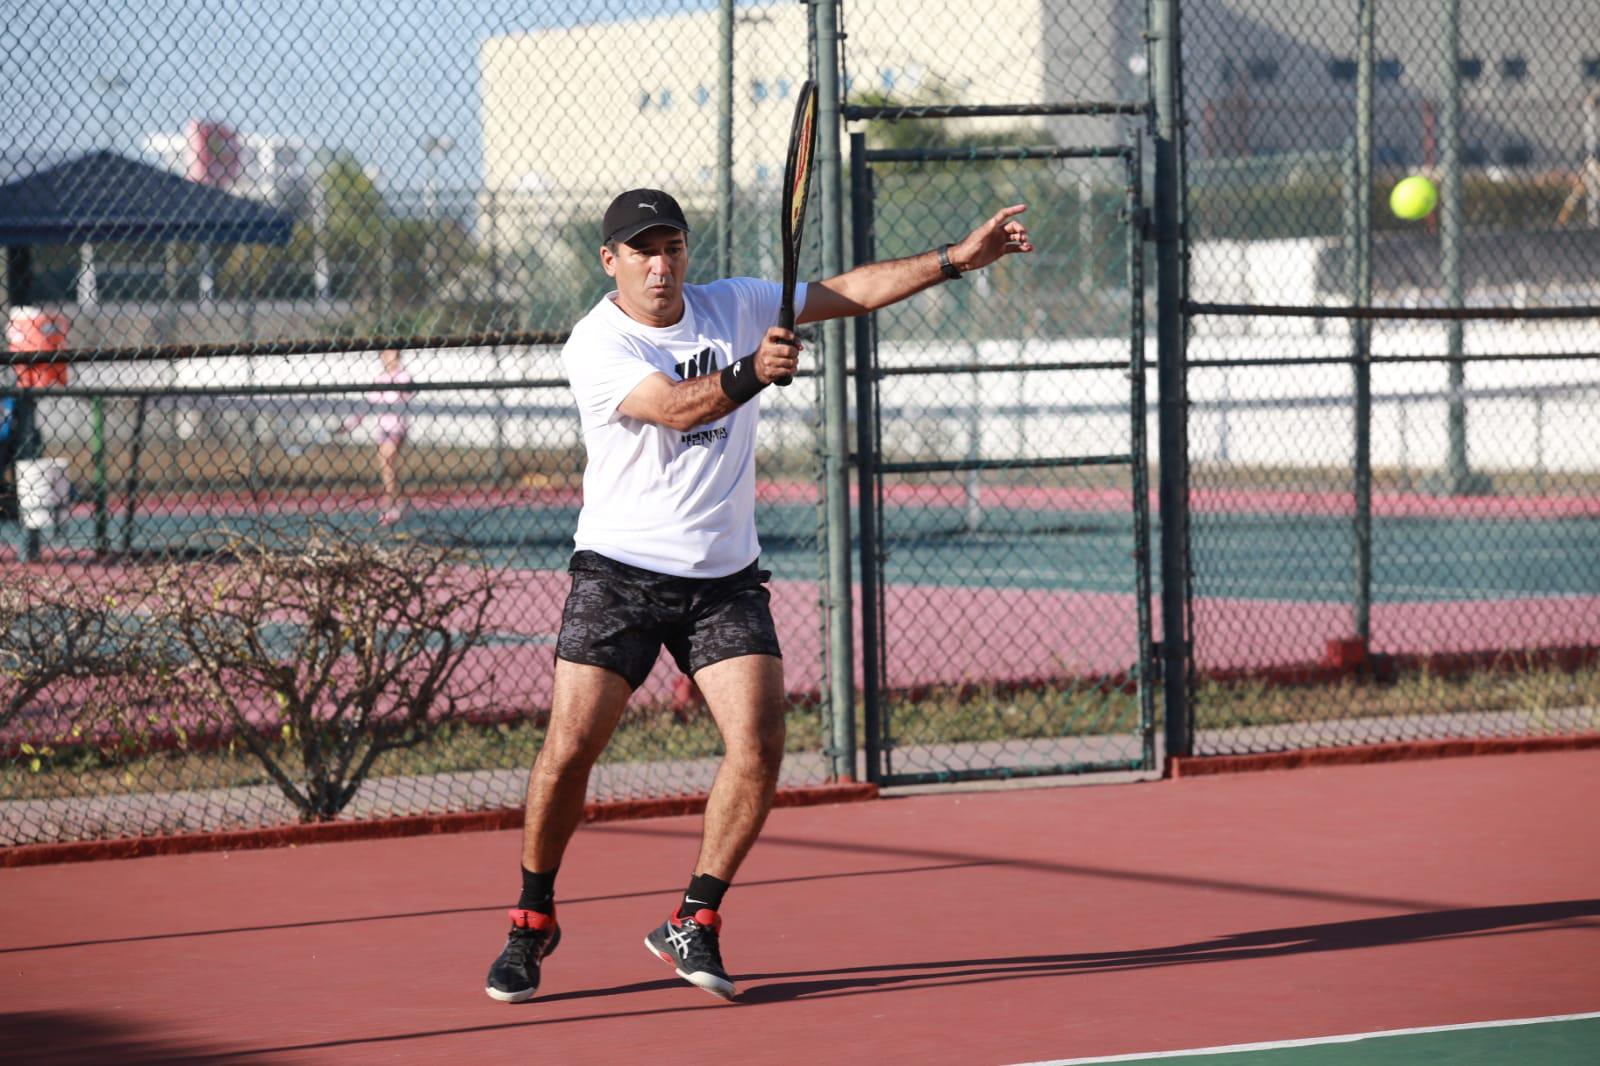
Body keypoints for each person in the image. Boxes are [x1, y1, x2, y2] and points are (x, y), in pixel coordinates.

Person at [484, 188, 1033, 1004]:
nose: (660, 263)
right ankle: (531, 920)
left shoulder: (735, 303)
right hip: (619, 573)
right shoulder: (597, 343)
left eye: (671, 246)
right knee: (569, 749)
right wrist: (749, 373)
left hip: (723, 579)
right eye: (642, 250)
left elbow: (849, 290)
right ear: (611, 262)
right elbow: (673, 409)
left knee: (761, 745)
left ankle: (693, 920)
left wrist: (956, 259)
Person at [339, 348, 412, 524]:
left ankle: (388, 505)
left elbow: (408, 394)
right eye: (385, 354)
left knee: (388, 462)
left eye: (392, 354)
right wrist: (348, 425)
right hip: (383, 430)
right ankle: (398, 501)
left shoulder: (403, 376)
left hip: (396, 428)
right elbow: (367, 406)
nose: (388, 358)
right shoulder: (380, 379)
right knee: (387, 468)